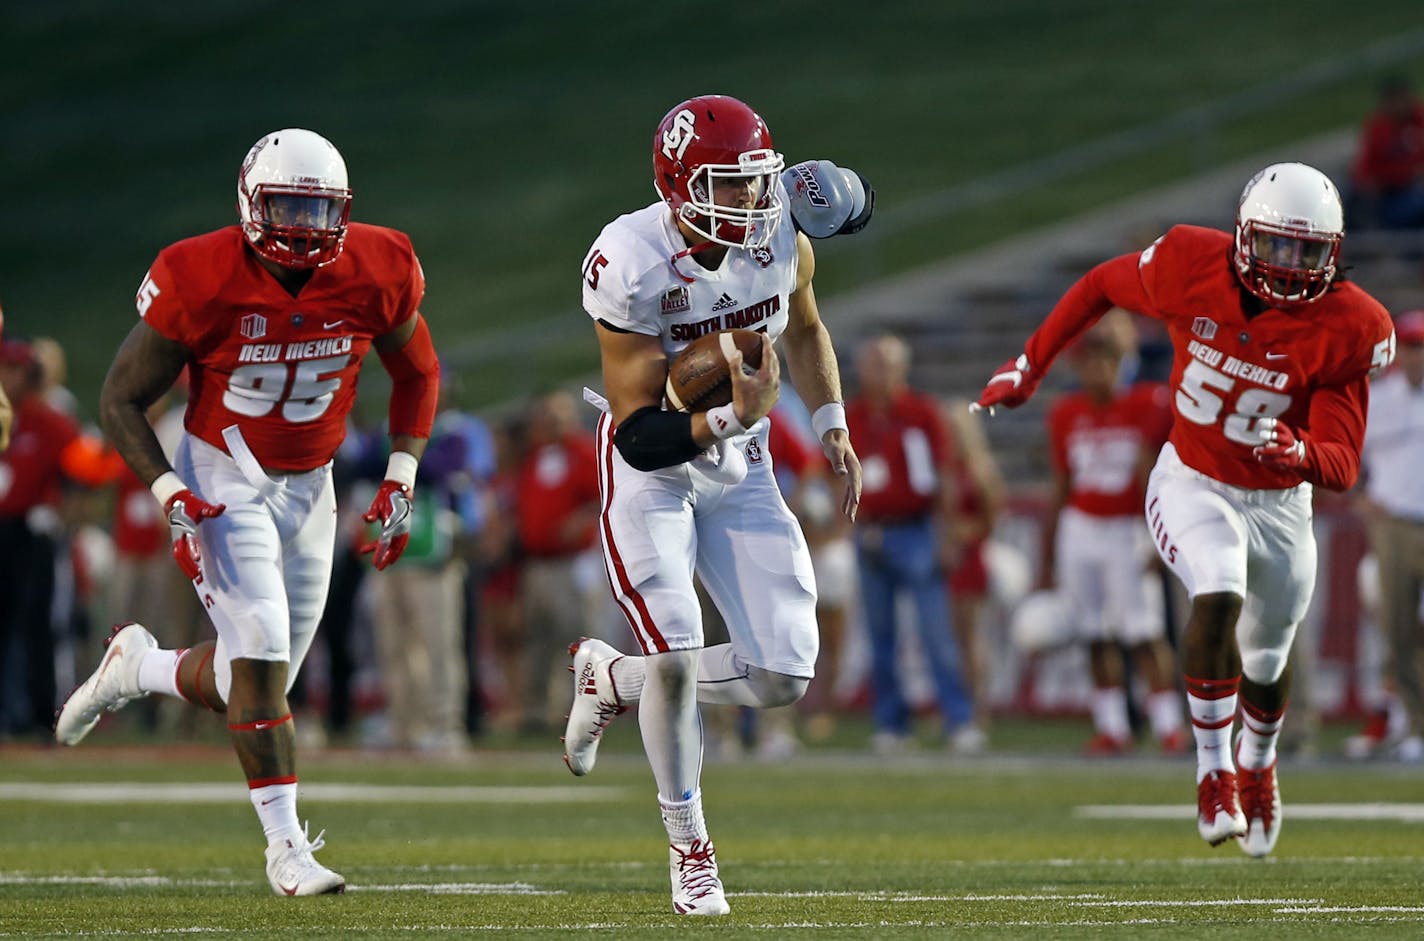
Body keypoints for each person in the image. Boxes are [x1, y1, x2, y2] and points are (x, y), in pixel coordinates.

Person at [54, 128, 440, 895]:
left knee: (253, 681)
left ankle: (138, 665)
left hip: (314, 479)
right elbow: (120, 398)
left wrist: (402, 471)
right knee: (259, 652)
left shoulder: (379, 263)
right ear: (248, 202)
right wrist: (171, 494)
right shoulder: (197, 274)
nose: (302, 224)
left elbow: (418, 370)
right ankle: (286, 848)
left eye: (318, 208)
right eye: (287, 204)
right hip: (222, 470)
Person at [974, 162, 1396, 858]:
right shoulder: (1188, 263)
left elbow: (1343, 464)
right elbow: (1098, 285)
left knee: (1268, 654)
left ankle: (1258, 762)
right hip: (1192, 476)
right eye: (1277, 246)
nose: (1290, 267)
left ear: (1334, 253)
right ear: (1241, 236)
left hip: (1280, 502)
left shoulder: (1349, 325)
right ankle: (1213, 770)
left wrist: (1300, 451)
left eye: (1307, 251)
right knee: (1219, 585)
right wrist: (1031, 362)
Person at [562, 95, 863, 916]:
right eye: (729, 187)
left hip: (746, 463)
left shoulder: (780, 235)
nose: (751, 203)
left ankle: (612, 679)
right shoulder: (627, 260)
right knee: (677, 653)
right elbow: (638, 433)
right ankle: (690, 845)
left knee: (782, 672)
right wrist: (733, 411)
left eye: (756, 183)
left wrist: (831, 420)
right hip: (655, 466)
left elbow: (803, 327)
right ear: (679, 186)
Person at [1043, 311, 1185, 755]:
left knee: (1144, 632)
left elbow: (1153, 473)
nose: (1096, 371)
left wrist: (1158, 535)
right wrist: (1048, 554)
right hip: (1082, 527)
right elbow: (1062, 483)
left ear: (1120, 363)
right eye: (1088, 362)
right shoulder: (1066, 413)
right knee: (1094, 632)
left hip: (1127, 527)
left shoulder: (1147, 402)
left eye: (1104, 361)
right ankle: (1113, 727)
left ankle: (1168, 727)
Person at [846, 333, 979, 754]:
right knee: (879, 637)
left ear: (901, 370)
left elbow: (943, 474)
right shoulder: (855, 414)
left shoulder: (921, 412)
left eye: (883, 365)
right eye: (870, 365)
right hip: (870, 530)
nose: (876, 374)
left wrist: (947, 531)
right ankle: (891, 723)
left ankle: (959, 719)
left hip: (917, 528)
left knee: (935, 632)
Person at [1353, 310, 1424, 760]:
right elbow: (1346, 452)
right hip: (1394, 522)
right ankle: (1415, 724)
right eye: (1412, 347)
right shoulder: (1377, 399)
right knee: (1397, 626)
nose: (1417, 356)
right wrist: (1362, 500)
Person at [515, 389, 601, 732]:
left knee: (575, 636)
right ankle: (535, 710)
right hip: (536, 562)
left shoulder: (582, 452)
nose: (551, 422)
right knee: (536, 638)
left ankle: (577, 709)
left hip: (572, 562)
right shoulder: (535, 456)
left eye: (557, 415)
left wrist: (580, 521)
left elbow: (603, 497)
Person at [1348, 75, 1424, 230]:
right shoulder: (1378, 126)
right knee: (1349, 198)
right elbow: (1363, 167)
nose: (1397, 106)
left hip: (1412, 189)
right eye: (1392, 101)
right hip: (1386, 191)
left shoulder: (1419, 121)